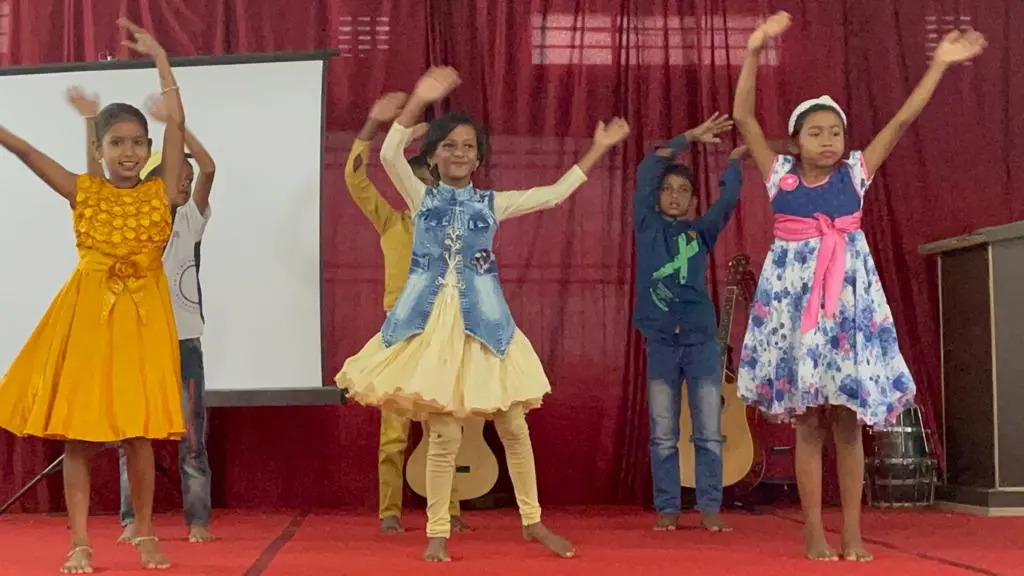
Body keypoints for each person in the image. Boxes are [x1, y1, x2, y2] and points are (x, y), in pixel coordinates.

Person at [335, 66, 630, 562]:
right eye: (449, 145)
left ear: (479, 158)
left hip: (486, 325)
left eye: (468, 146)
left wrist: (598, 148)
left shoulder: (493, 204)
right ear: (433, 155)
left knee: (514, 424)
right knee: (445, 432)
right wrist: (418, 101)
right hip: (430, 327)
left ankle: (533, 521)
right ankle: (437, 532)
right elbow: (388, 155)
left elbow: (553, 194)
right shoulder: (420, 197)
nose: (459, 153)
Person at [732, 11, 987, 562]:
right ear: (796, 141)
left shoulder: (855, 172)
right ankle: (812, 531)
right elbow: (743, 116)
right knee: (808, 423)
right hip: (797, 306)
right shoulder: (781, 176)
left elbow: (902, 119)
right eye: (816, 132)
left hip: (847, 307)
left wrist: (939, 65)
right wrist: (752, 51)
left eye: (836, 132)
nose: (828, 140)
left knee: (847, 424)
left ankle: (851, 531)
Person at [0, 18, 187, 573]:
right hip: (88, 321)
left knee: (139, 435)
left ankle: (144, 530)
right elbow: (25, 151)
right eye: (116, 143)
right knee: (80, 437)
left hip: (143, 322)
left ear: (149, 148)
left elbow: (177, 122)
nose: (128, 152)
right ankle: (79, 540)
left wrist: (160, 59)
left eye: (137, 143)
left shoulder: (161, 192)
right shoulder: (83, 191)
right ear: (99, 149)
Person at [70, 88, 219, 545]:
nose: (183, 185)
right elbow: (95, 185)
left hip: (183, 340)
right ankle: (132, 520)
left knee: (191, 437)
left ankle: (197, 519)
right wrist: (89, 123)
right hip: (137, 335)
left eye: (187, 180)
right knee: (129, 431)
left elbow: (209, 168)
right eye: (177, 178)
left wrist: (177, 126)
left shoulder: (190, 220)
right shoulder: (132, 217)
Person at [345, 92, 470, 534]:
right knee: (394, 432)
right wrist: (371, 127)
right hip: (400, 333)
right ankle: (389, 510)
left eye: (427, 186)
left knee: (444, 427)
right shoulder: (391, 222)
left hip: (441, 332)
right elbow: (356, 180)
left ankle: (449, 510)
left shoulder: (453, 225)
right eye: (412, 184)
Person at [632, 113, 746, 533]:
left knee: (709, 430)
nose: (674, 196)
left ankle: (710, 508)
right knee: (663, 431)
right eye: (667, 189)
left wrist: (733, 163)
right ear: (656, 197)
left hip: (700, 342)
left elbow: (728, 202)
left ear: (694, 201)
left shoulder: (702, 232)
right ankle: (668, 508)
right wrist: (689, 138)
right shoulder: (646, 224)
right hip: (661, 341)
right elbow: (648, 167)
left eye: (683, 190)